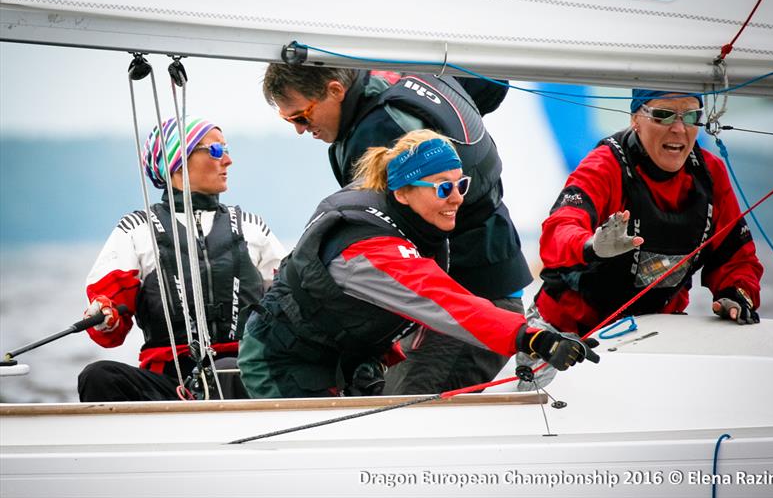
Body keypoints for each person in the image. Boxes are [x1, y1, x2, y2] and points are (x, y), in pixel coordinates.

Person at [238, 130, 599, 399]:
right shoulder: (369, 249)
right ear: (402, 192)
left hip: (336, 357)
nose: (458, 198)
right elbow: (445, 301)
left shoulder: (409, 223)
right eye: (443, 188)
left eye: (462, 185)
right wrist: (529, 336)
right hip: (281, 361)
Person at [261, 65, 532, 394]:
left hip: (467, 300)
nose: (301, 130)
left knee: (407, 419)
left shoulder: (378, 131)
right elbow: (490, 83)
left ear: (334, 91)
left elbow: (386, 251)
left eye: (301, 117)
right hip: (475, 285)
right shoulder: (405, 74)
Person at [78, 116, 287, 402]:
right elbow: (109, 335)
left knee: (227, 369)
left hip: (243, 374)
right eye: (215, 151)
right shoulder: (136, 231)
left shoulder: (253, 228)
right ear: (177, 162)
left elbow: (290, 298)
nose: (227, 160)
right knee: (97, 376)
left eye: (227, 150)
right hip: (169, 384)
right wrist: (104, 315)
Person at [533, 88, 764, 338]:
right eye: (663, 115)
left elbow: (735, 257)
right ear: (635, 120)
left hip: (650, 334)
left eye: (690, 117)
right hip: (566, 332)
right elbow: (558, 230)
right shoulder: (604, 166)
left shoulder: (710, 174)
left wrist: (737, 292)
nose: (678, 128)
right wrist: (590, 246)